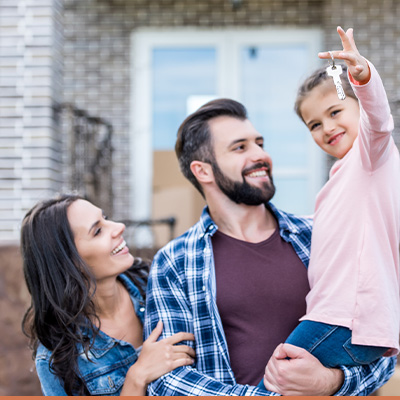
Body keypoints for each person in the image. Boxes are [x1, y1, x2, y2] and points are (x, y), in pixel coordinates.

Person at [143, 97, 396, 393]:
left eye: (259, 143)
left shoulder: (318, 236)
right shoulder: (175, 262)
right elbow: (168, 380)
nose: (260, 155)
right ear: (203, 171)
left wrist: (330, 383)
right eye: (240, 147)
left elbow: (380, 338)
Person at [258, 25, 400, 392]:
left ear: (357, 108)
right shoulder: (340, 179)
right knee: (285, 385)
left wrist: (361, 77)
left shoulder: (371, 157)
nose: (327, 128)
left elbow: (379, 121)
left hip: (346, 318)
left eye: (336, 111)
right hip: (338, 316)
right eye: (314, 125)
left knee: (275, 385)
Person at [21, 194, 195, 396]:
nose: (119, 227)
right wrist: (137, 377)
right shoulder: (56, 358)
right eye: (98, 231)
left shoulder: (160, 283)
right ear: (69, 263)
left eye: (106, 218)